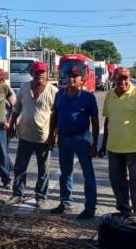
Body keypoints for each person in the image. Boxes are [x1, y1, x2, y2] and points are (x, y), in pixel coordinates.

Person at [48, 66, 100, 219]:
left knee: (87, 174)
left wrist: (95, 143)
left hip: (81, 139)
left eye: (76, 76)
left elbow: (95, 121)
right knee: (65, 173)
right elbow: (55, 116)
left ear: (82, 80)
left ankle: (90, 207)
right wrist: (52, 134)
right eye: (70, 75)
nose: (72, 79)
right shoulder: (60, 95)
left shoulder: (88, 97)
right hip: (64, 138)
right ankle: (65, 202)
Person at [5, 61, 58, 209]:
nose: (39, 75)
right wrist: (11, 123)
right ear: (31, 74)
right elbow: (17, 108)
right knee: (20, 168)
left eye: (42, 72)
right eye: (36, 72)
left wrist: (54, 134)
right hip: (25, 135)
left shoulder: (53, 91)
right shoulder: (24, 87)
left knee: (43, 170)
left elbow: (57, 114)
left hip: (44, 137)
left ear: (47, 74)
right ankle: (17, 194)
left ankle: (41, 197)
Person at [98, 67, 136, 214]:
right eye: (120, 78)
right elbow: (108, 121)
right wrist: (103, 145)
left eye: (126, 78)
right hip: (114, 147)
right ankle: (124, 210)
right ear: (113, 79)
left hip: (133, 147)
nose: (123, 81)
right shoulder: (110, 95)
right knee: (117, 180)